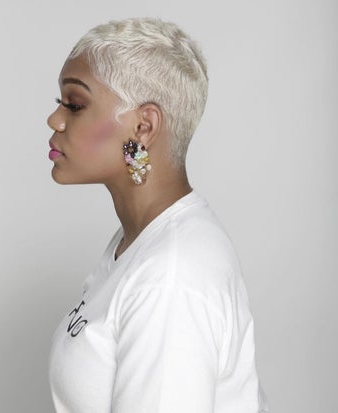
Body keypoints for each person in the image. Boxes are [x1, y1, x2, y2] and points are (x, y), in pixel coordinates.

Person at [47, 17, 269, 413]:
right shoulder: (138, 241)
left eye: (75, 104)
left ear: (143, 127)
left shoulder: (169, 277)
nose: (55, 119)